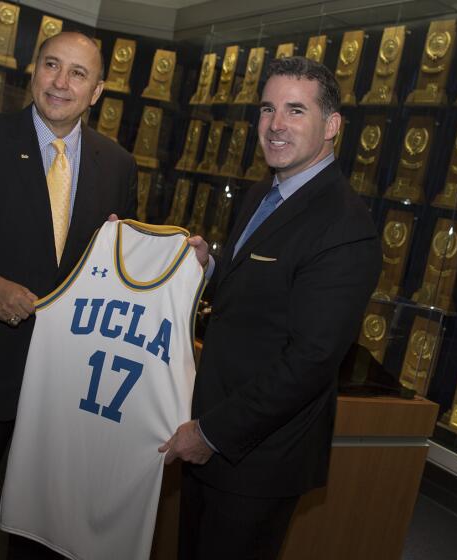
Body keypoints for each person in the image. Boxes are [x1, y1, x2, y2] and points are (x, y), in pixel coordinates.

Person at [0, 31, 138, 559]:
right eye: (51, 65)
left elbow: (118, 262)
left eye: (77, 73)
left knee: (43, 530)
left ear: (97, 90)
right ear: (32, 70)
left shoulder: (119, 166)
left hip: (66, 384)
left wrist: (179, 261)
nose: (60, 82)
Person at [160, 56, 382, 559]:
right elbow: (259, 298)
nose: (276, 125)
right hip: (211, 433)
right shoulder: (264, 193)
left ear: (332, 126)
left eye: (295, 110)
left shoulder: (345, 227)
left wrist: (212, 433)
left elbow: (310, 360)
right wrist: (210, 268)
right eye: (267, 109)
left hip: (256, 457)